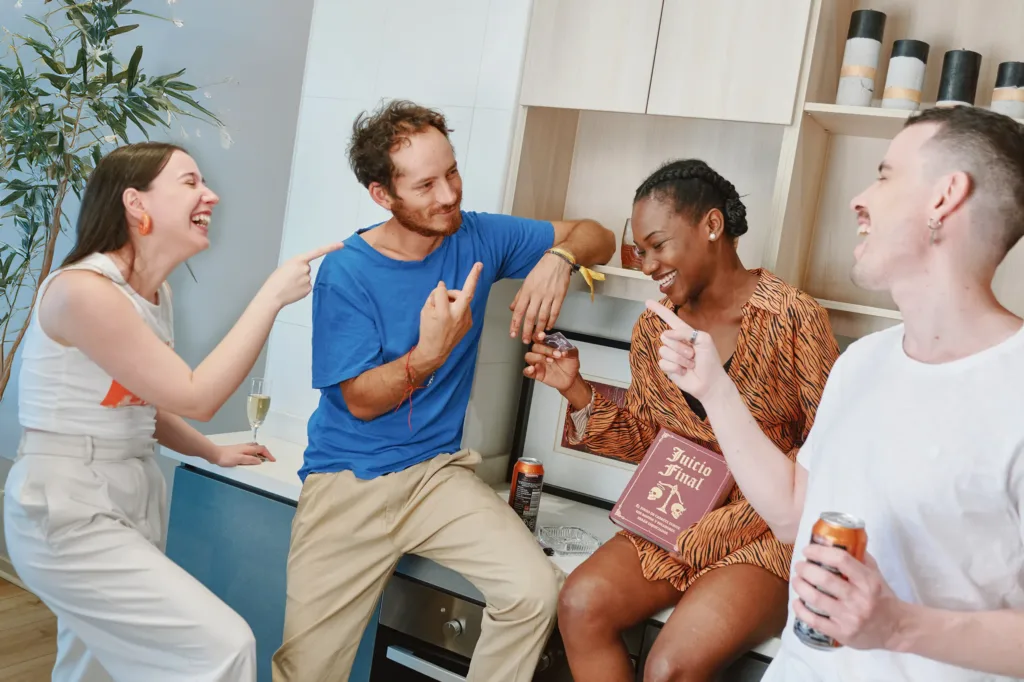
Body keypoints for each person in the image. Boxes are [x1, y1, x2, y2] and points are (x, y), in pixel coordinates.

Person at [651, 106, 1024, 681]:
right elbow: (795, 513)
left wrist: (897, 626)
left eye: (885, 176)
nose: (859, 199)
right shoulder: (864, 362)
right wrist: (713, 389)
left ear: (944, 197)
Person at [270, 99, 616, 682]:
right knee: (306, 671)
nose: (449, 194)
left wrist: (559, 259)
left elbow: (598, 235)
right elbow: (360, 401)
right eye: (426, 185)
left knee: (534, 592)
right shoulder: (348, 272)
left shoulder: (476, 235)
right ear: (383, 195)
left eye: (451, 172)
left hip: (435, 475)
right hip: (349, 484)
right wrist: (429, 353)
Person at [2, 141, 341, 682]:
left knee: (93, 669)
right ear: (136, 203)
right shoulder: (82, 292)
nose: (211, 195)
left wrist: (211, 452)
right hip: (65, 505)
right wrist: (271, 296)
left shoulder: (155, 295)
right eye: (190, 182)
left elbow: (140, 405)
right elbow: (195, 396)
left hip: (130, 489)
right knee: (222, 648)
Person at [521, 158, 840, 681]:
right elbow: (646, 440)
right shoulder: (655, 329)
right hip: (677, 513)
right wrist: (576, 390)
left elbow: (830, 447)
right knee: (579, 604)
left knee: (669, 667)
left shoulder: (792, 317)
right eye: (640, 252)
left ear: (711, 226)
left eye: (657, 245)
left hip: (767, 530)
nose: (647, 265)